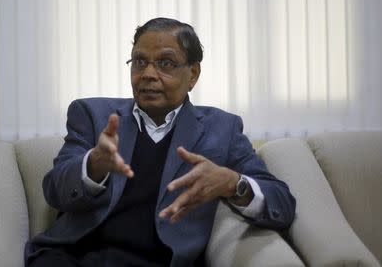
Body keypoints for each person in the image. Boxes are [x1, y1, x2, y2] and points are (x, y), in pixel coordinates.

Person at [25, 17, 296, 267]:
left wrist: (232, 183)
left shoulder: (221, 129)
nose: (148, 74)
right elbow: (55, 191)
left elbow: (281, 204)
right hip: (75, 256)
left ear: (193, 74)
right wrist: (93, 165)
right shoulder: (92, 115)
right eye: (140, 62)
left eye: (165, 63)